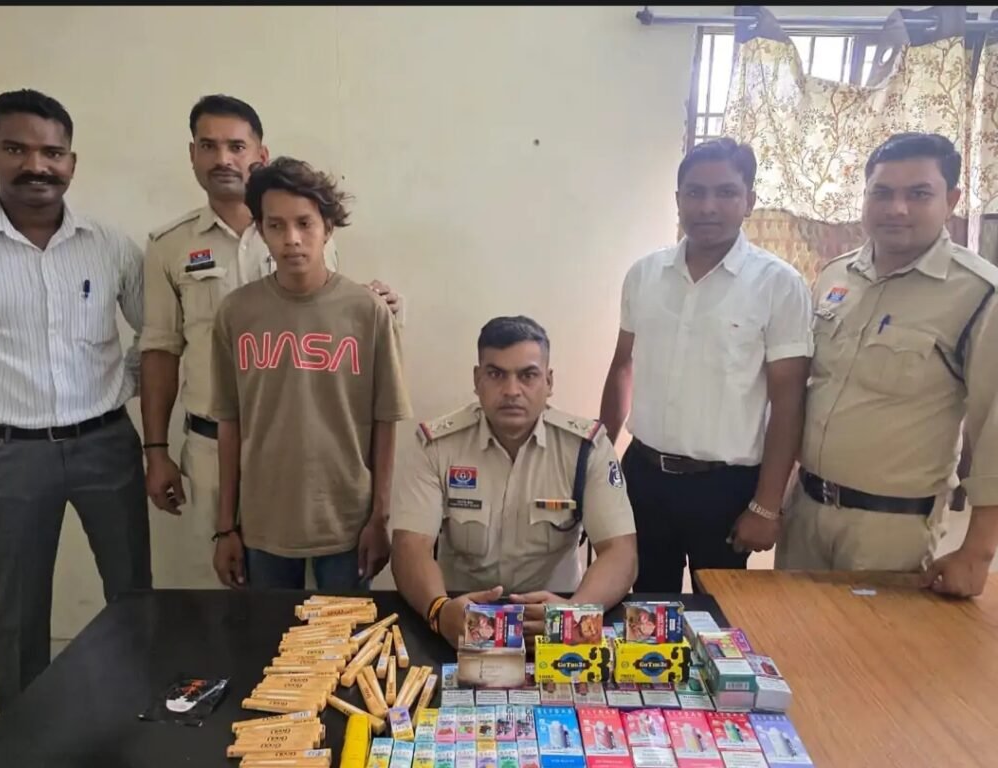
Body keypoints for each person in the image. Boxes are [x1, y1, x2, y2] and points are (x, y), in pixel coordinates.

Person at [140, 95, 400, 586]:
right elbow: (159, 349)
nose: (292, 239)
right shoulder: (172, 247)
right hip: (221, 451)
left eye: (236, 146)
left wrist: (380, 514)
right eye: (209, 145)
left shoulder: (353, 295)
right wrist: (156, 449)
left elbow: (341, 338)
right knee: (239, 605)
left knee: (338, 619)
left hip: (332, 479)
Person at [0, 89, 151, 710]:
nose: (37, 166)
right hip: (6, 456)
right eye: (16, 149)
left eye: (52, 153)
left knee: (132, 593)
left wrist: (123, 384)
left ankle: (139, 712)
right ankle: (22, 736)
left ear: (71, 162)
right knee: (19, 609)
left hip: (106, 445)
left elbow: (158, 334)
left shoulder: (109, 245)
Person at [776, 132, 998, 598]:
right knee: (790, 637)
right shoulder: (836, 275)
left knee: (871, 645)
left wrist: (978, 550)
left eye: (918, 194)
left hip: (890, 529)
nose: (897, 208)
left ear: (951, 200)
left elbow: (994, 429)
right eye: (882, 192)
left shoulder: (979, 294)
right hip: (805, 512)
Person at [599, 138, 812, 593]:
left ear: (749, 200)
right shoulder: (645, 274)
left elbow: (789, 402)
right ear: (678, 200)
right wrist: (598, 463)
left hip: (726, 488)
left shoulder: (779, 284)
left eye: (726, 192)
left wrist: (767, 505)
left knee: (720, 616)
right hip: (644, 475)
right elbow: (622, 367)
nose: (708, 206)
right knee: (644, 609)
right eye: (695, 192)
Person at [209, 157, 412, 589]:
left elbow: (385, 422)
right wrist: (226, 526)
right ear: (260, 230)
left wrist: (380, 517)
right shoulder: (236, 313)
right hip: (263, 524)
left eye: (304, 223)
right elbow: (229, 423)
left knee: (346, 632)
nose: (292, 239)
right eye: (276, 225)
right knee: (268, 630)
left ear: (328, 228)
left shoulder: (367, 312)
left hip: (346, 523)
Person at [391, 316, 638, 648]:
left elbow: (620, 552)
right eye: (496, 374)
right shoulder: (436, 446)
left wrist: (575, 612)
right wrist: (438, 610)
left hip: (558, 619)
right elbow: (410, 546)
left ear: (549, 381)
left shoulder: (586, 449)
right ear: (477, 379)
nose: (511, 391)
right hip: (460, 620)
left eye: (528, 375)